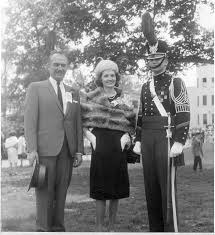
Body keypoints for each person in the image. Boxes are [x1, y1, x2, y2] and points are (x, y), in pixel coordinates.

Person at [133, 14, 190, 232]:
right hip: (147, 137)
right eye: (150, 60)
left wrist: (179, 141)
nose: (154, 64)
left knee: (167, 188)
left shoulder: (176, 82)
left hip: (167, 136)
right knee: (151, 187)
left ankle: (170, 228)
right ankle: (155, 229)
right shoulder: (145, 85)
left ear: (165, 60)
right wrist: (138, 139)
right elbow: (140, 114)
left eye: (157, 60)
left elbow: (183, 110)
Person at [24, 50, 84, 232]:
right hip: (44, 152)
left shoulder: (73, 92)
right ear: (48, 66)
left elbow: (77, 122)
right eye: (56, 64)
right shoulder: (36, 88)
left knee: (61, 193)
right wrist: (32, 149)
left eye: (63, 65)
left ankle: (58, 229)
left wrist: (79, 150)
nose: (59, 68)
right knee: (44, 194)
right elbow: (30, 120)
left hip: (67, 151)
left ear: (67, 68)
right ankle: (43, 229)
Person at [81, 59, 136, 232]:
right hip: (100, 143)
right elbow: (83, 120)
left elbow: (133, 120)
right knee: (100, 188)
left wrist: (127, 136)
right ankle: (99, 227)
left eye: (112, 75)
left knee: (116, 188)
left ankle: (112, 228)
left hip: (118, 145)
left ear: (116, 77)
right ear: (100, 78)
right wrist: (91, 137)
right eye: (106, 75)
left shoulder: (124, 98)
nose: (110, 78)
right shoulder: (92, 96)